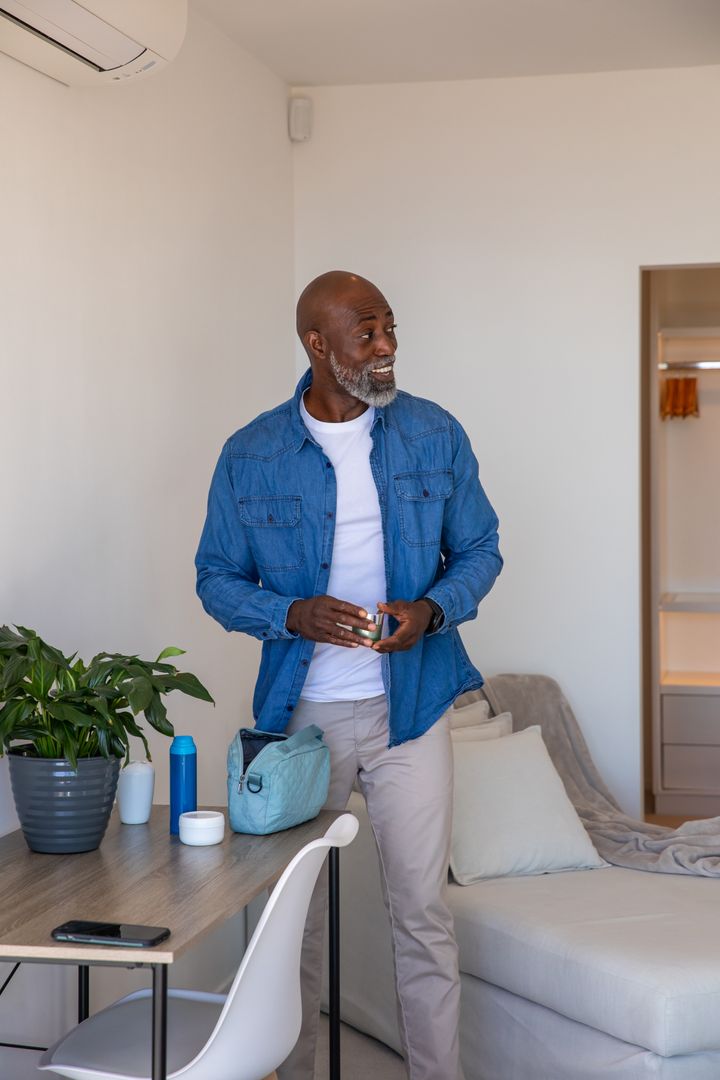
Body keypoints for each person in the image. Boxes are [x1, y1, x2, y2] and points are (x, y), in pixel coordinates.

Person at [195, 270, 502, 1080]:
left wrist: (430, 612)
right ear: (317, 343)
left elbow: (481, 549)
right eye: (367, 333)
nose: (387, 347)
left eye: (390, 328)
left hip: (413, 708)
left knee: (423, 915)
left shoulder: (434, 433)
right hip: (304, 721)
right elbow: (216, 576)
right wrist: (291, 614)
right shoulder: (252, 452)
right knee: (291, 923)